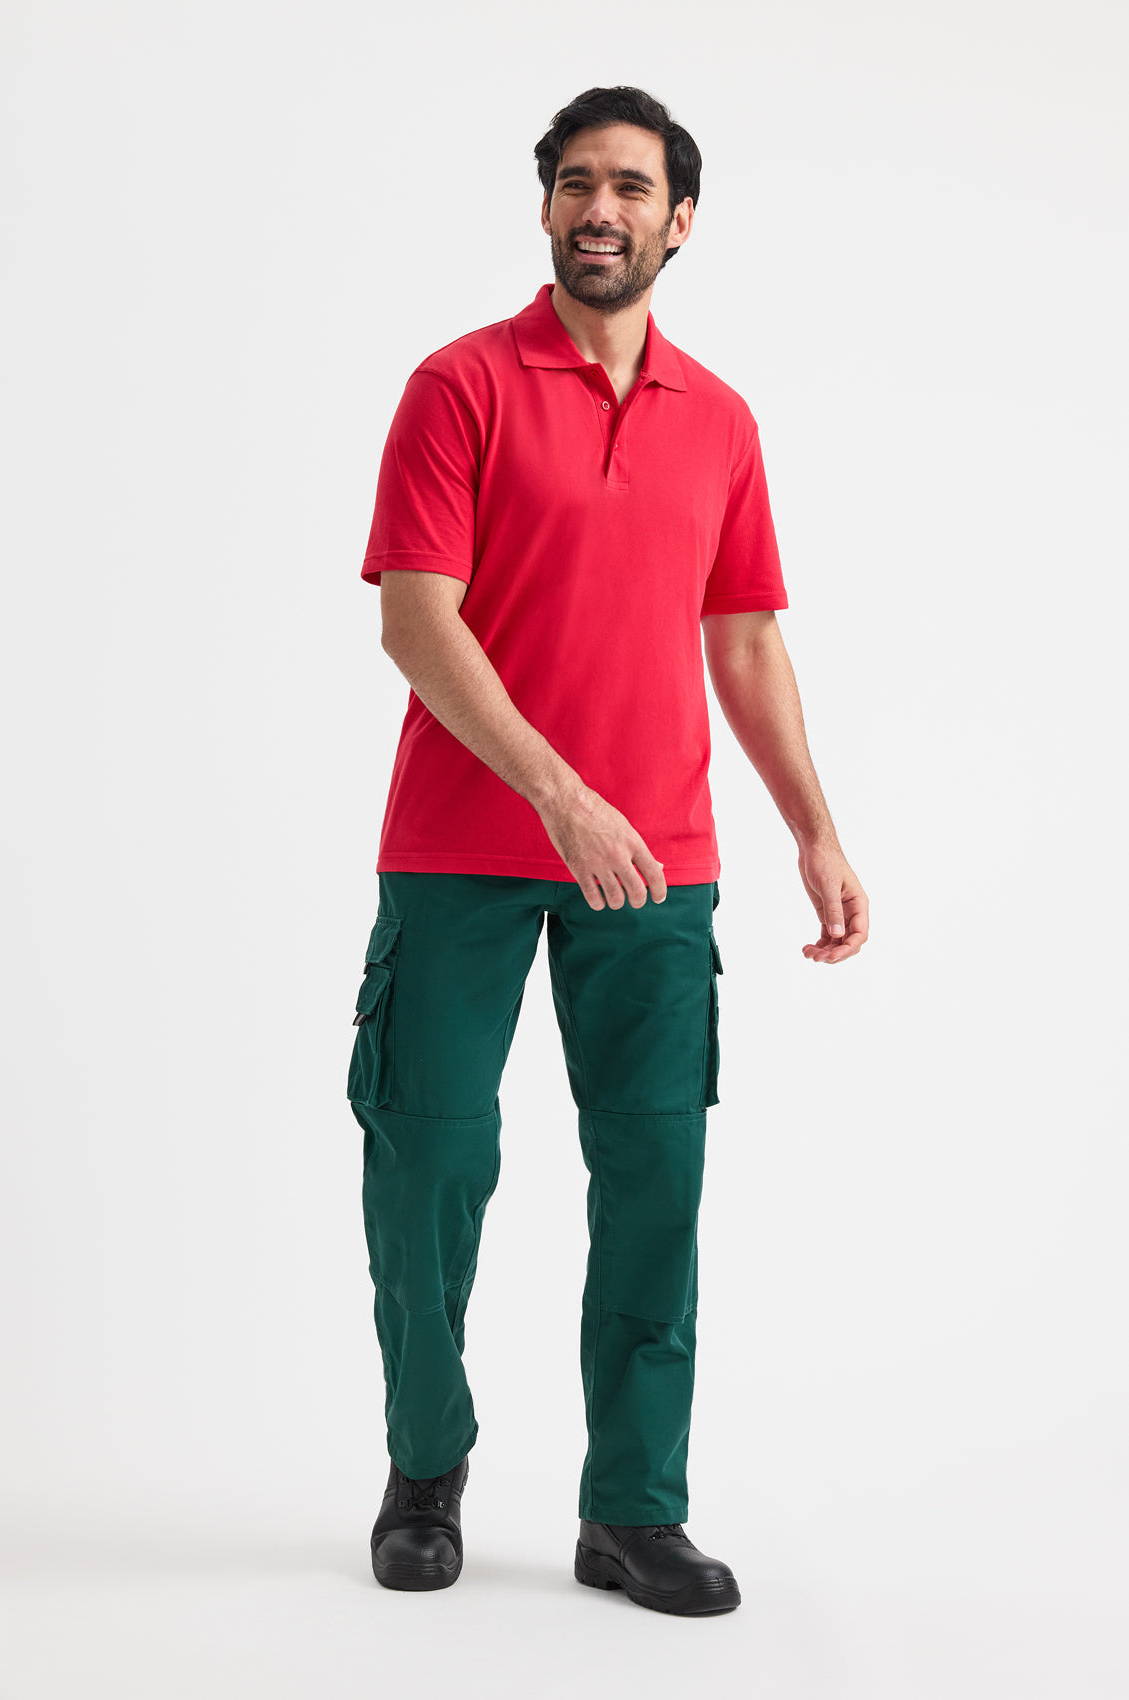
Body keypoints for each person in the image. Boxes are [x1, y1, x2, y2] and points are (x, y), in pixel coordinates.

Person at [347, 84, 869, 1617]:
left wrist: (815, 827)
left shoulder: (722, 418)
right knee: (429, 1162)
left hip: (665, 862)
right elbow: (416, 620)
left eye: (631, 187)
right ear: (545, 208)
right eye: (577, 182)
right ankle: (425, 1470)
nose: (601, 208)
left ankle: (633, 1512)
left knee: (656, 1177)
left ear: (678, 220)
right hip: (461, 847)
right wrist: (560, 796)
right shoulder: (460, 385)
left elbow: (746, 637)